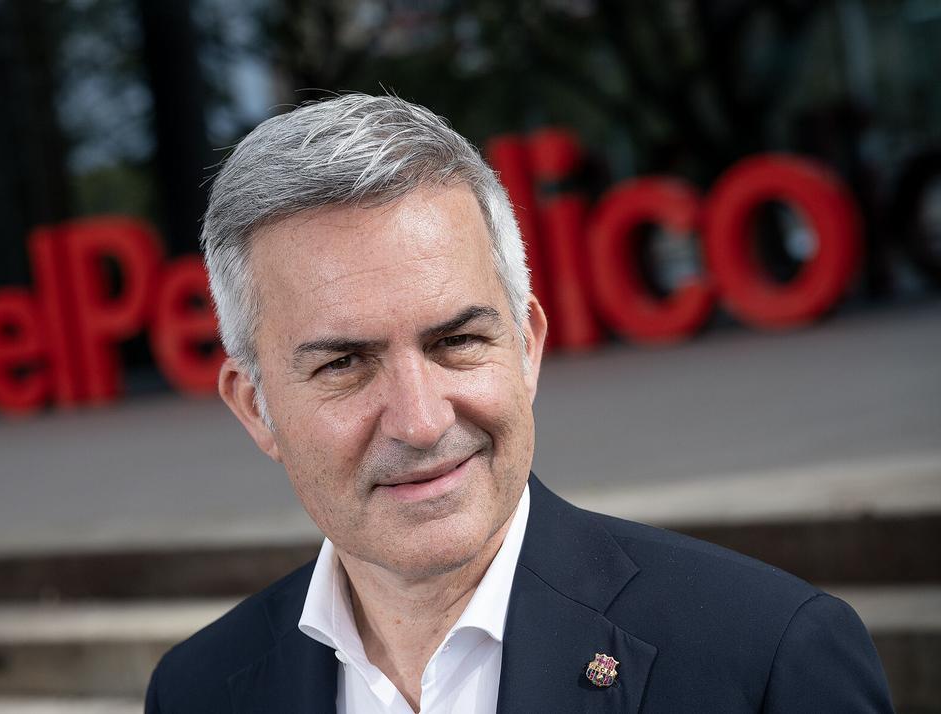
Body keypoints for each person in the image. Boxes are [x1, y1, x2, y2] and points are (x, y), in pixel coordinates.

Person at [144, 93, 893, 713]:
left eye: (457, 342)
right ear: (256, 408)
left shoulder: (768, 660)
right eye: (344, 364)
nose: (422, 421)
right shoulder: (196, 691)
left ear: (526, 347)